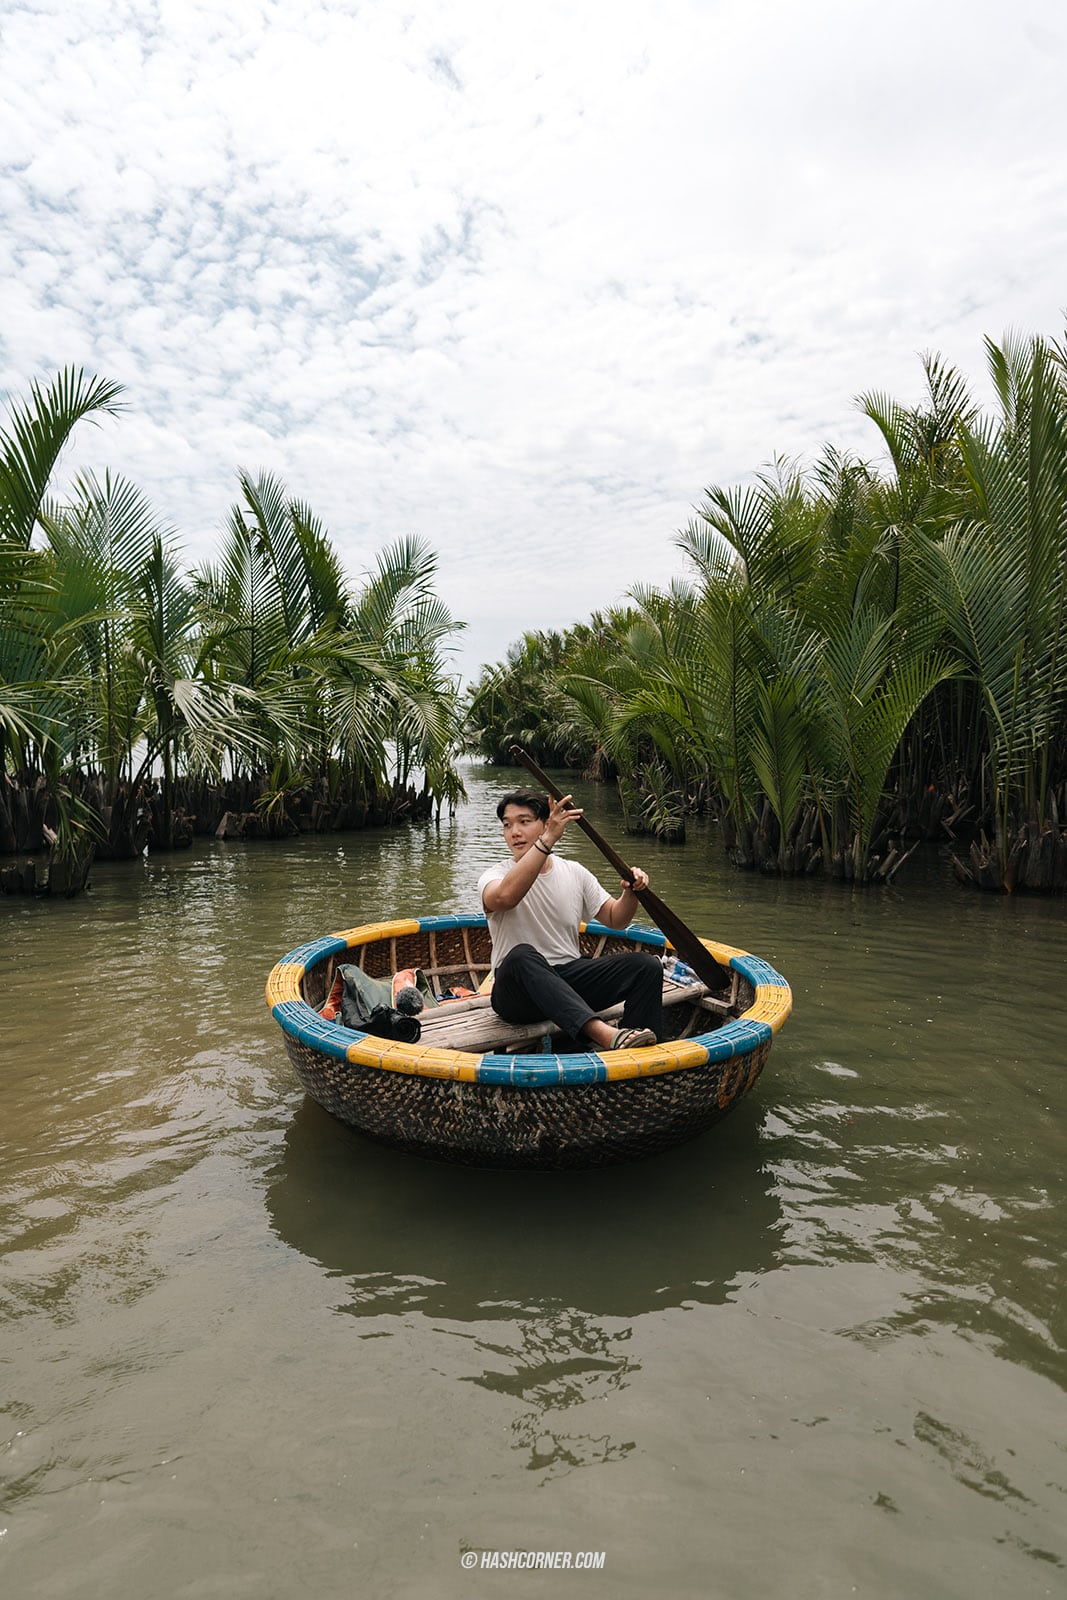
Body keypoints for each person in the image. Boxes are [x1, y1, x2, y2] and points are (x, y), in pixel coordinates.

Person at [477, 788, 663, 1051]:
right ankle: (602, 1033)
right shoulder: (494, 876)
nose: (514, 832)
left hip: (568, 982)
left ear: (545, 823)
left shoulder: (574, 872)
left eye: (524, 822)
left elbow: (615, 918)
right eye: (507, 825)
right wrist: (548, 840)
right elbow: (505, 898)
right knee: (520, 956)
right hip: (517, 993)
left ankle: (641, 1052)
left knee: (646, 966)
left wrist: (631, 892)